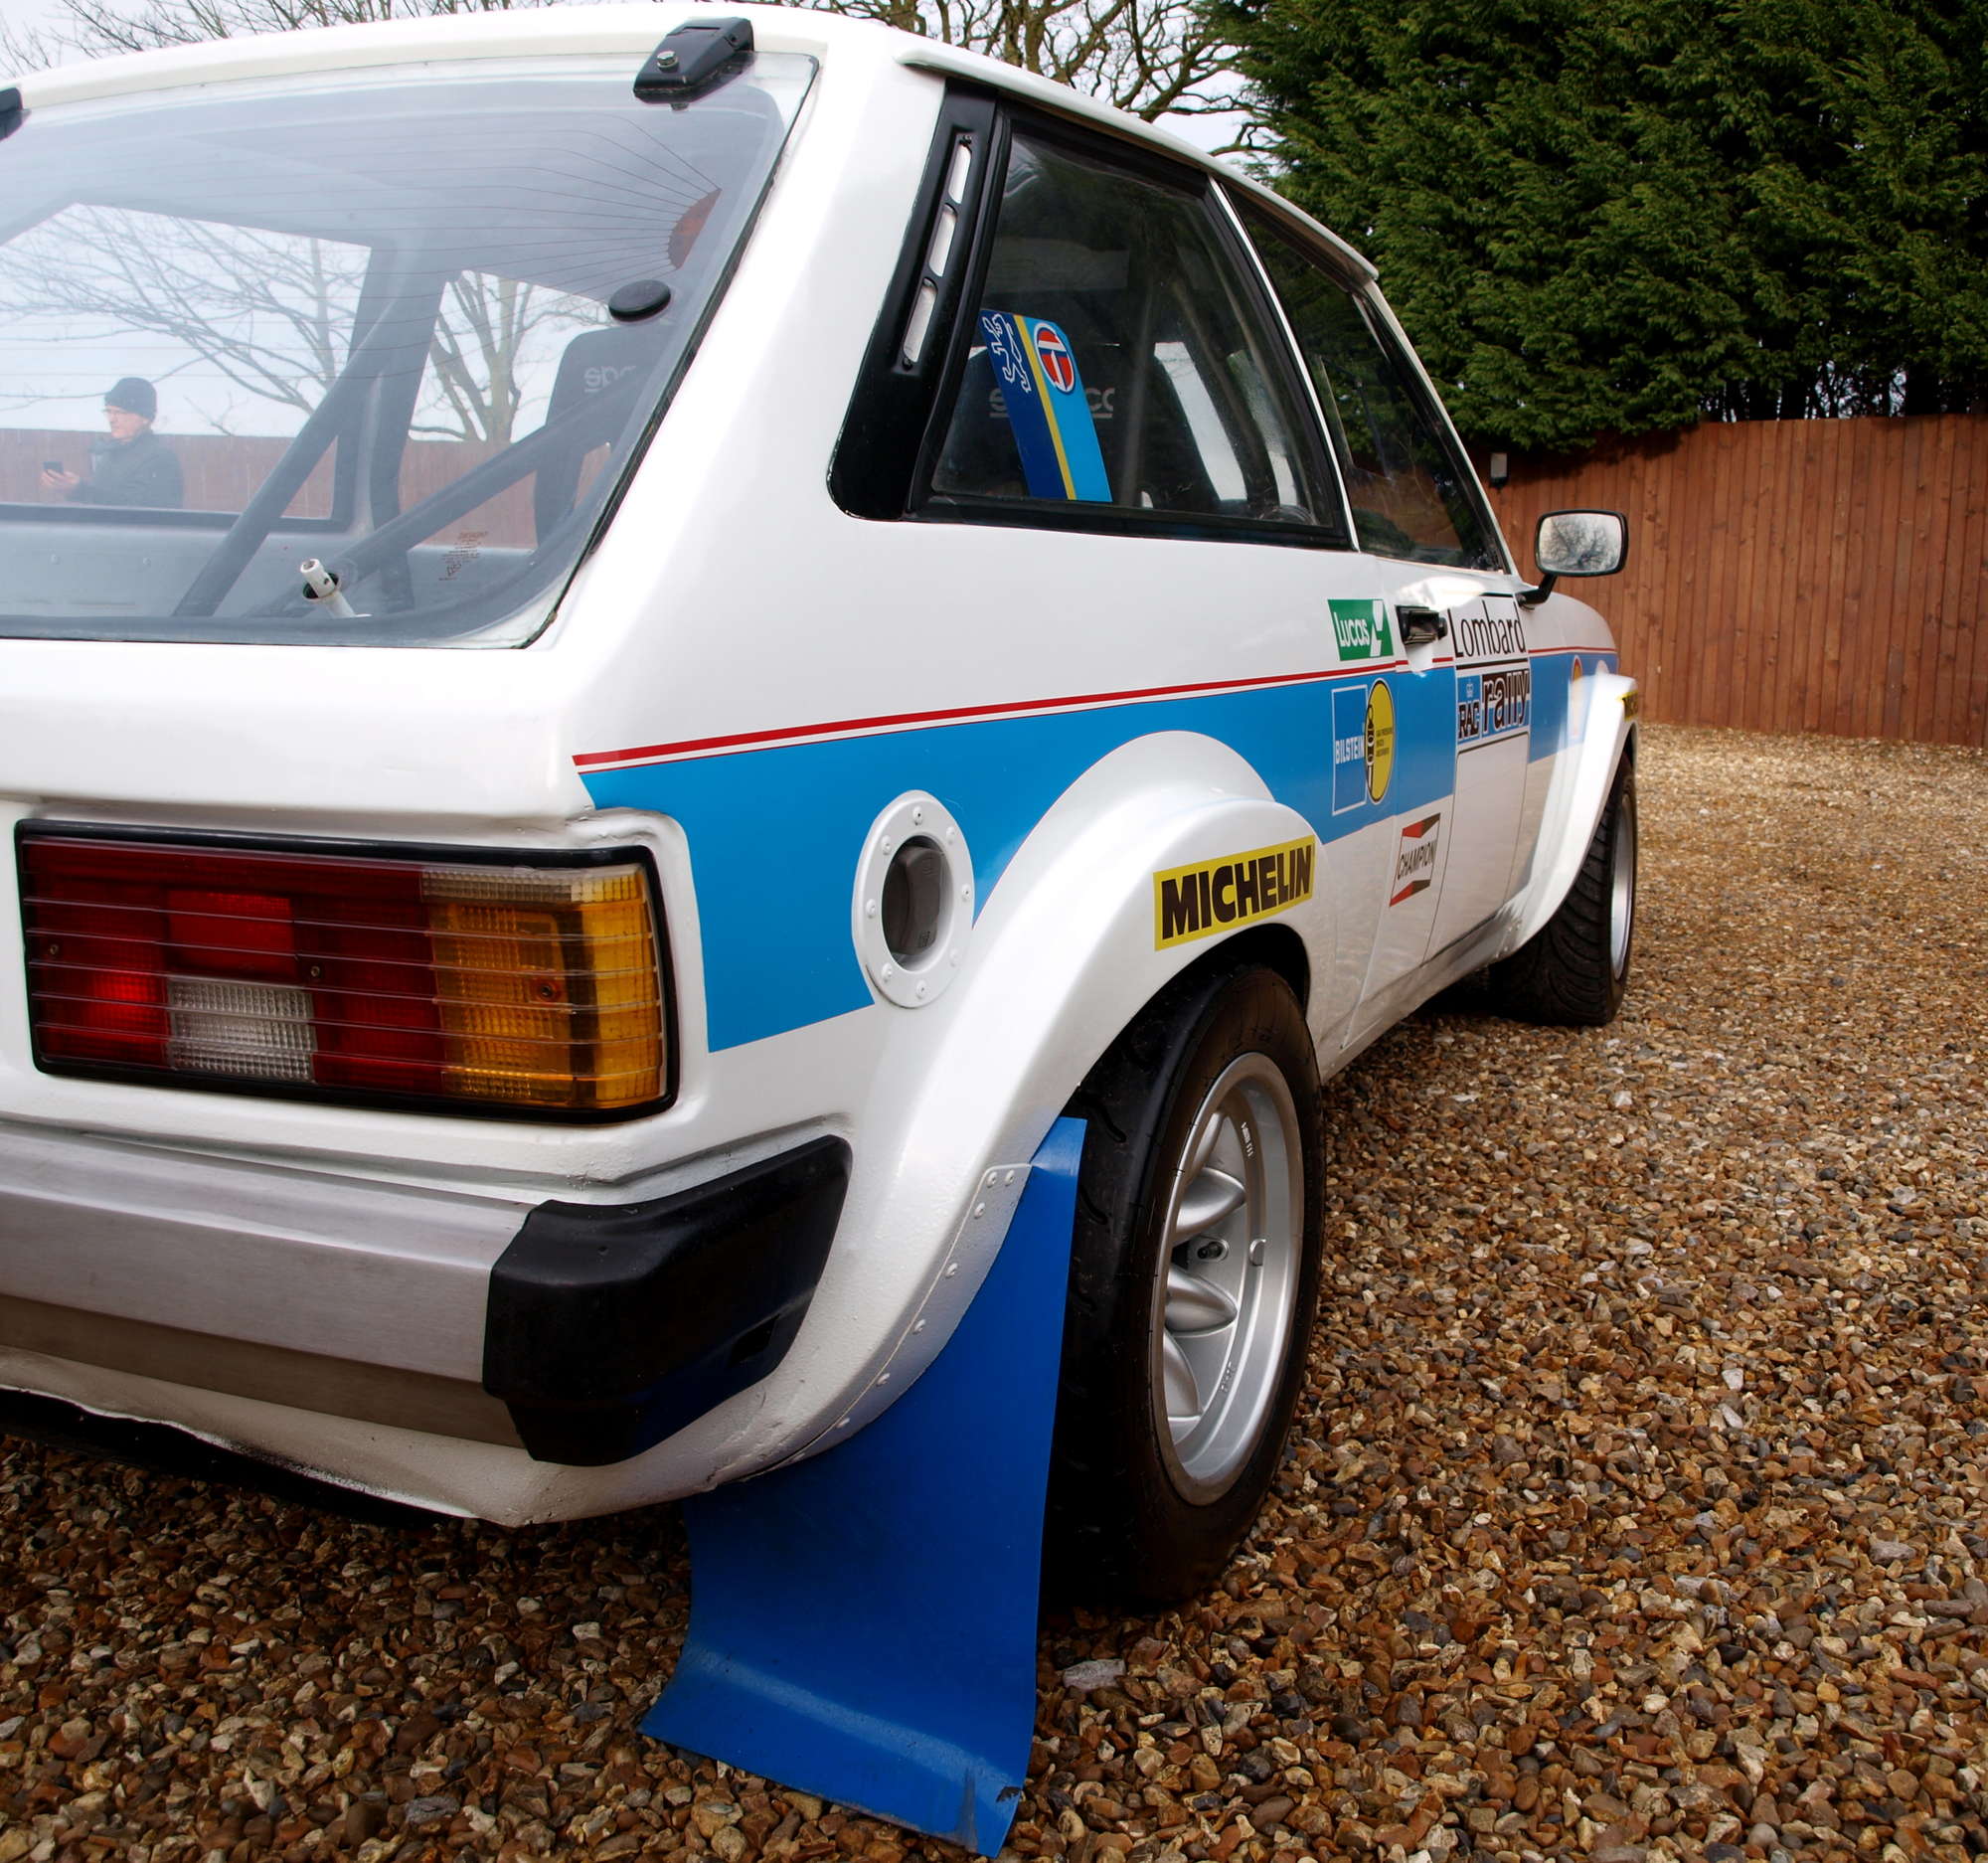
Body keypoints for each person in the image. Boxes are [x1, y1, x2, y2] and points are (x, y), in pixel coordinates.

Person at [40, 378, 184, 509]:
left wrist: (80, 490)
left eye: (119, 412)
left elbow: (139, 511)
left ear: (145, 417)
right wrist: (71, 490)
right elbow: (102, 505)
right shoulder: (111, 454)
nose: (112, 419)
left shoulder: (160, 458)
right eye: (108, 411)